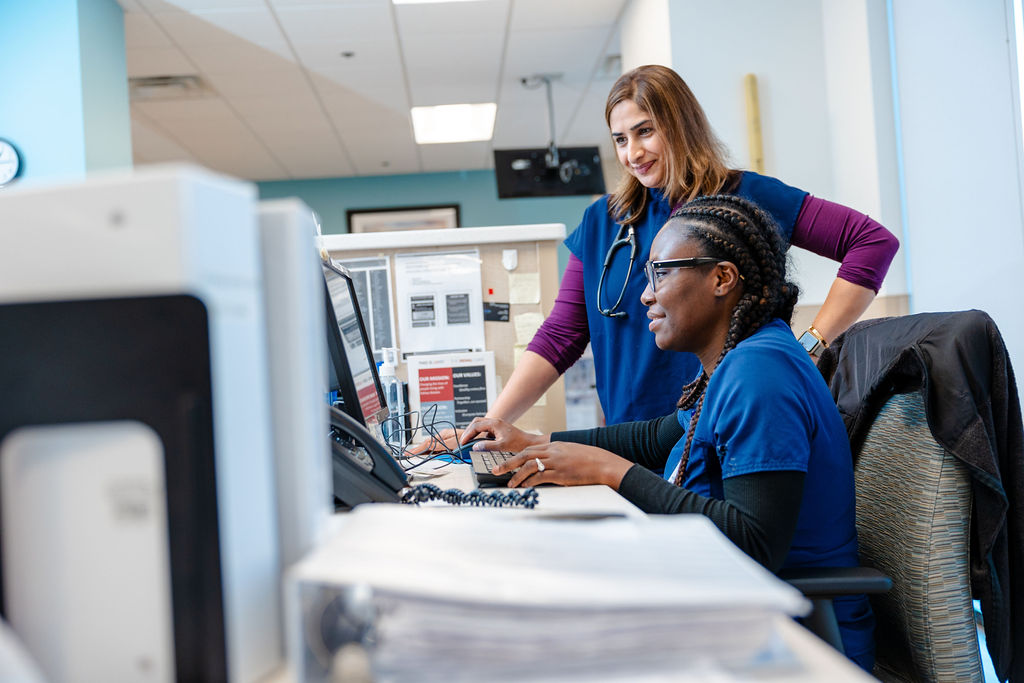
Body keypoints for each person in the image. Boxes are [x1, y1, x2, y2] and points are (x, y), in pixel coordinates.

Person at [462, 194, 875, 672]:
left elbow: (755, 542)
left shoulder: (761, 375)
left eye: (661, 272)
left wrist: (612, 473)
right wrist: (535, 442)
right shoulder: (739, 361)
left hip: (793, 642)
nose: (645, 294)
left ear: (722, 278)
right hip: (735, 608)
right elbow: (658, 437)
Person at [488, 64, 899, 430]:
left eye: (645, 131)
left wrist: (810, 347)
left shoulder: (745, 195)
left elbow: (871, 242)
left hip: (730, 429)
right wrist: (494, 422)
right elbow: (562, 334)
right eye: (620, 139)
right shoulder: (603, 220)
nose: (633, 153)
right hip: (633, 439)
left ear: (681, 125)